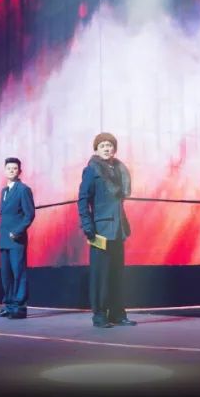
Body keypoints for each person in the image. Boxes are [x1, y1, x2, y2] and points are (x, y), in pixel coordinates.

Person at [78, 132, 135, 329]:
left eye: (109, 145)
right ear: (96, 149)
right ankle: (100, 316)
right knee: (100, 276)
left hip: (118, 229)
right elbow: (83, 200)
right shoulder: (91, 170)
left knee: (116, 275)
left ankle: (118, 314)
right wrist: (87, 226)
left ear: (114, 149)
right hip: (100, 230)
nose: (106, 148)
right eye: (102, 145)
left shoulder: (119, 170)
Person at [0, 158, 35, 320]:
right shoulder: (4, 191)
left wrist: (17, 232)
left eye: (14, 168)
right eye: (9, 168)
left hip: (16, 239)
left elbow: (29, 214)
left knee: (18, 273)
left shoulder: (23, 190)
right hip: (3, 239)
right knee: (6, 275)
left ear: (19, 171)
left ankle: (19, 308)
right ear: (4, 171)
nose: (11, 171)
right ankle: (9, 305)